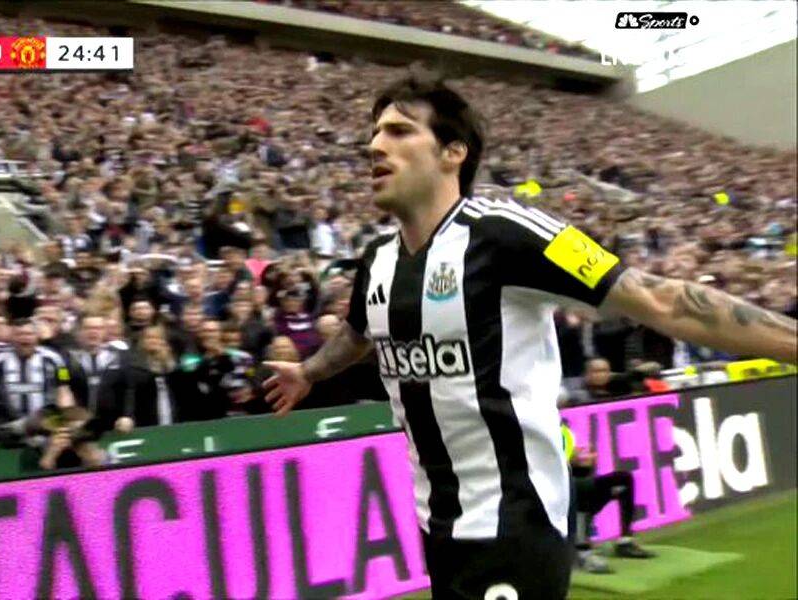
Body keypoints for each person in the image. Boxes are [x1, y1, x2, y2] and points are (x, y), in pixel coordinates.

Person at [263, 69, 797, 599]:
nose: (375, 146)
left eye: (399, 131)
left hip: (517, 521)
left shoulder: (506, 234)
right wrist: (309, 371)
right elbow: (359, 332)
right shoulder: (376, 260)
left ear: (453, 152)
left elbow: (662, 299)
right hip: (439, 527)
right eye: (375, 133)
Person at [569, 444, 654, 574]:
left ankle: (625, 542)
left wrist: (584, 458)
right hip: (559, 493)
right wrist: (572, 459)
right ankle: (582, 553)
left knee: (624, 479)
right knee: (581, 487)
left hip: (573, 483)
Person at [0, 319, 74, 418]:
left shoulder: (56, 359)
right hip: (8, 421)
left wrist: (66, 415)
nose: (24, 338)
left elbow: (64, 388)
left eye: (29, 334)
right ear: (11, 337)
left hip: (46, 420)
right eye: (19, 334)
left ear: (37, 336)